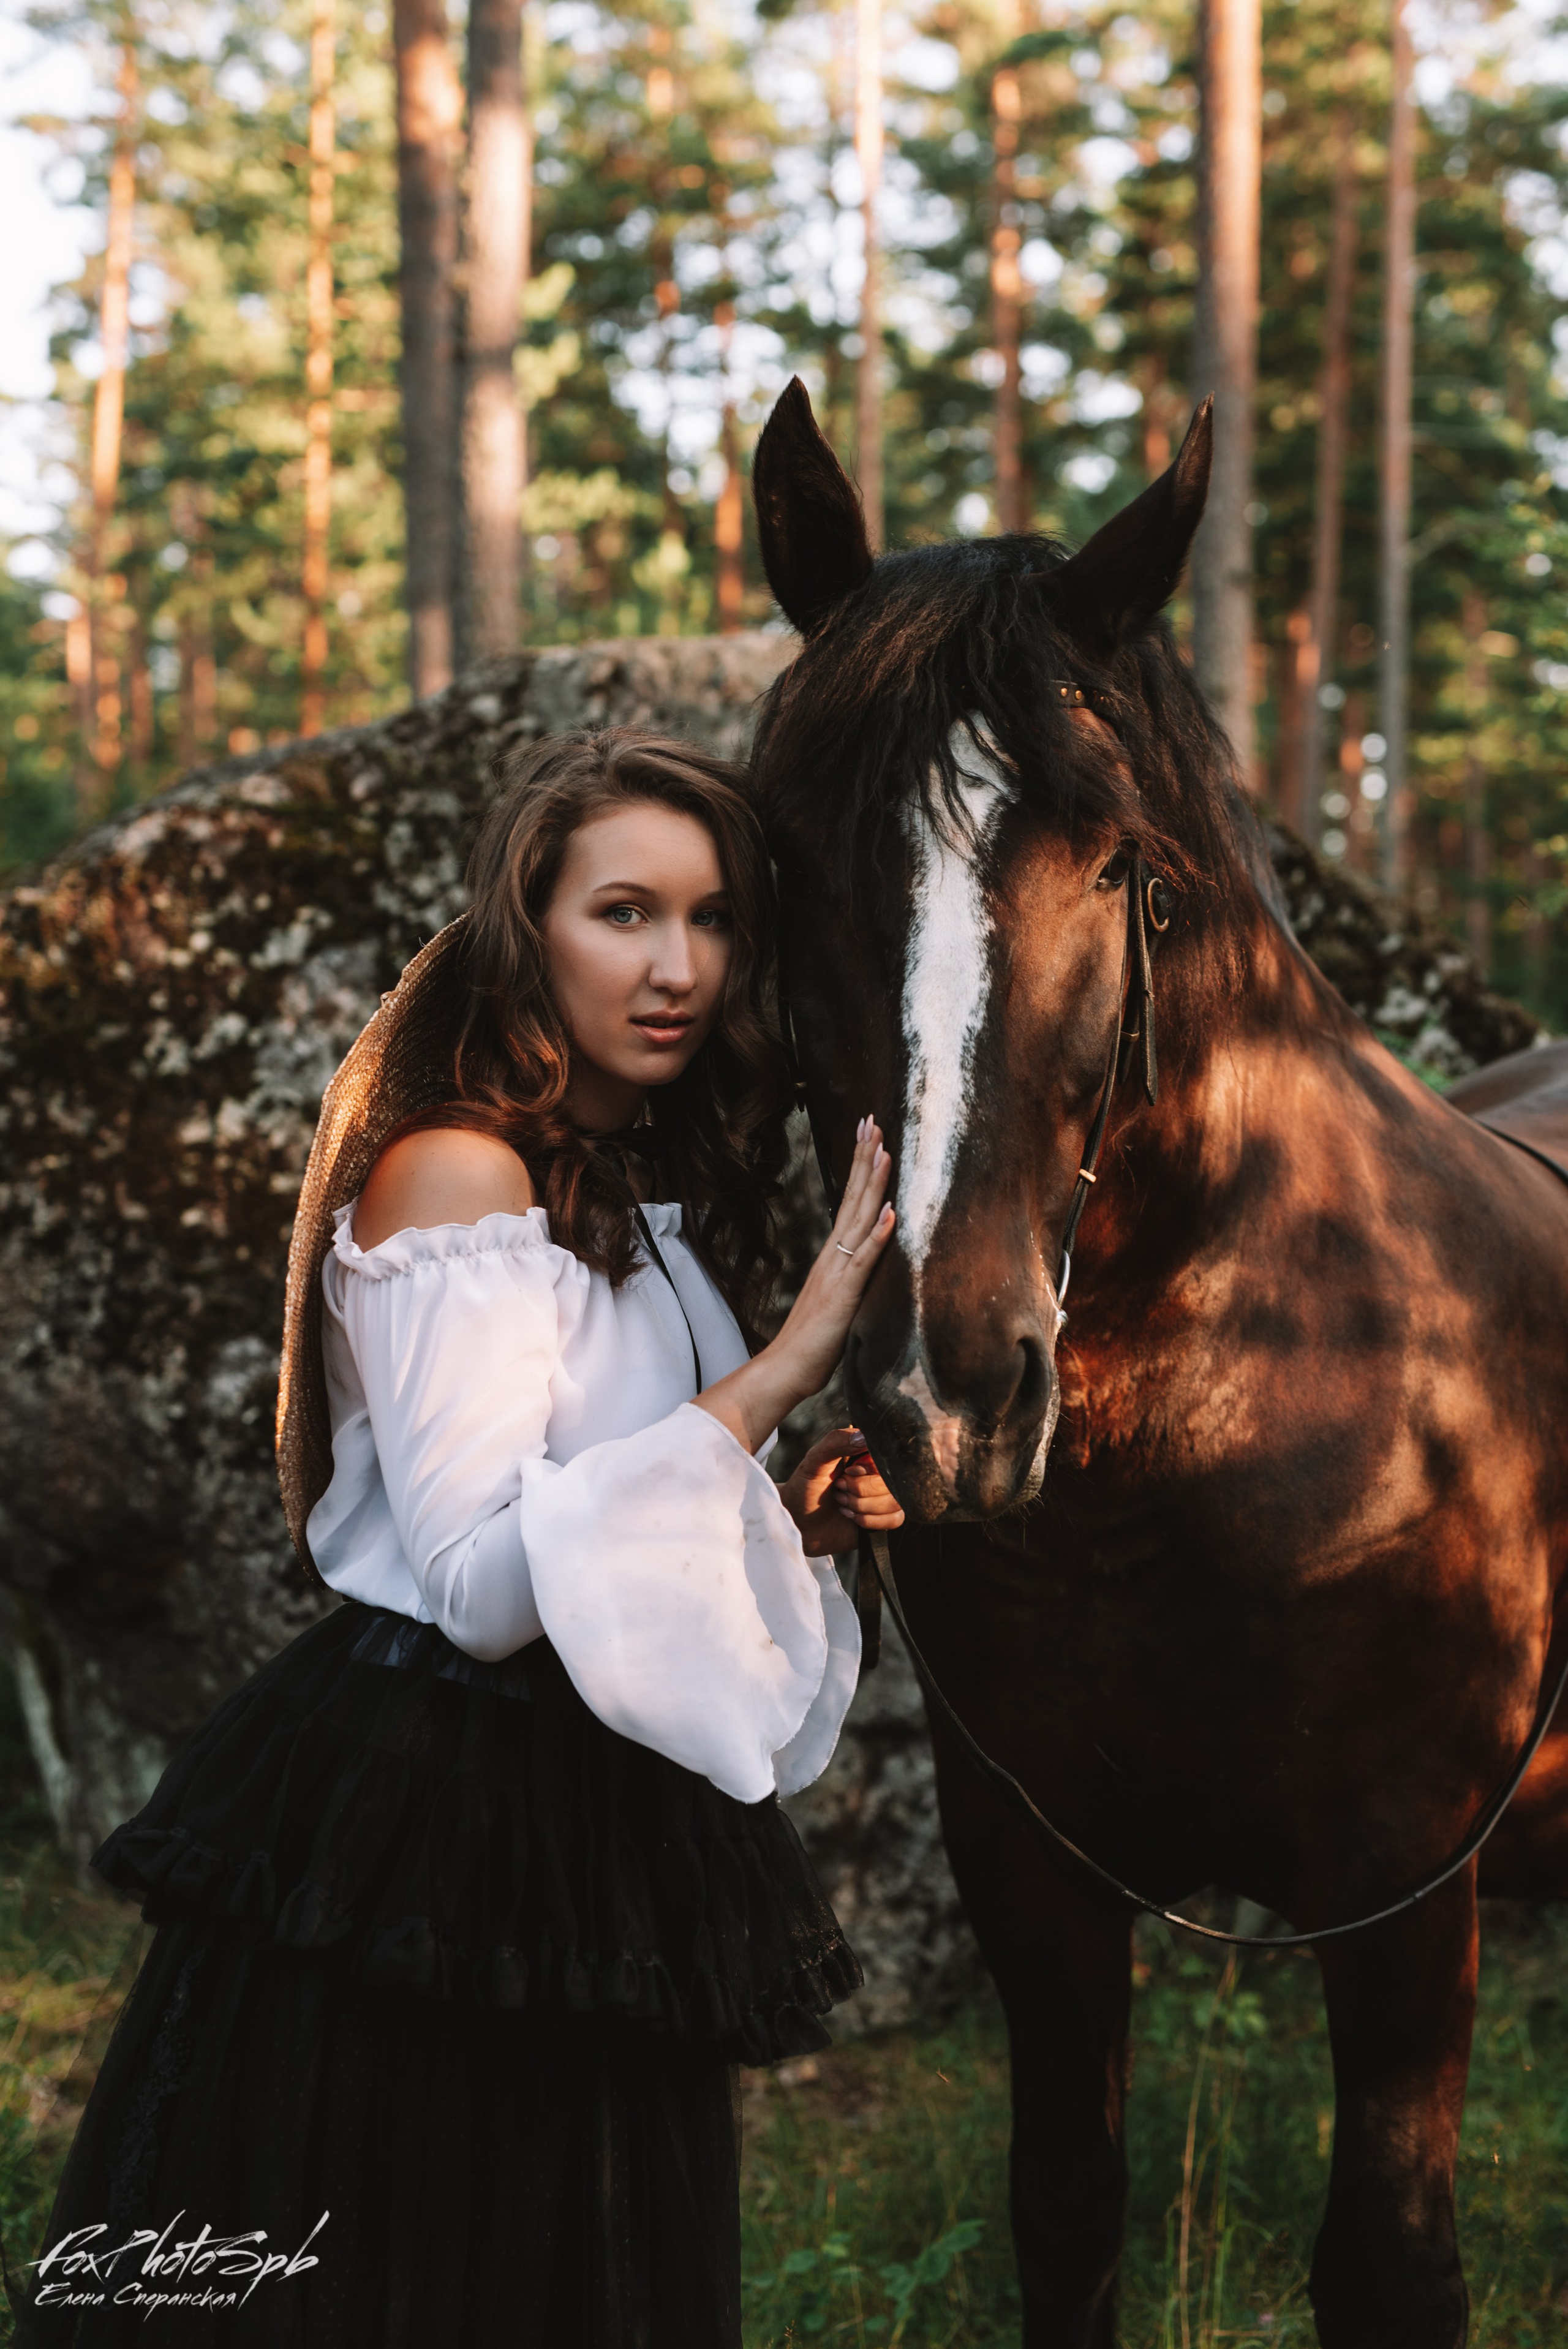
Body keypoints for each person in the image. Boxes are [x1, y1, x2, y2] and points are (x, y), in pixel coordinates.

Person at [14, 728, 905, 2348]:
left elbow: (608, 1518)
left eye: (711, 921)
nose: (678, 966)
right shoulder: (450, 1173)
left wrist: (787, 1512)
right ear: (524, 928)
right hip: (437, 1812)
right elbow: (486, 1587)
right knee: (416, 2273)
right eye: (624, 911)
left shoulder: (632, 1200)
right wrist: (785, 1364)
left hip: (592, 1817)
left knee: (584, 2273)